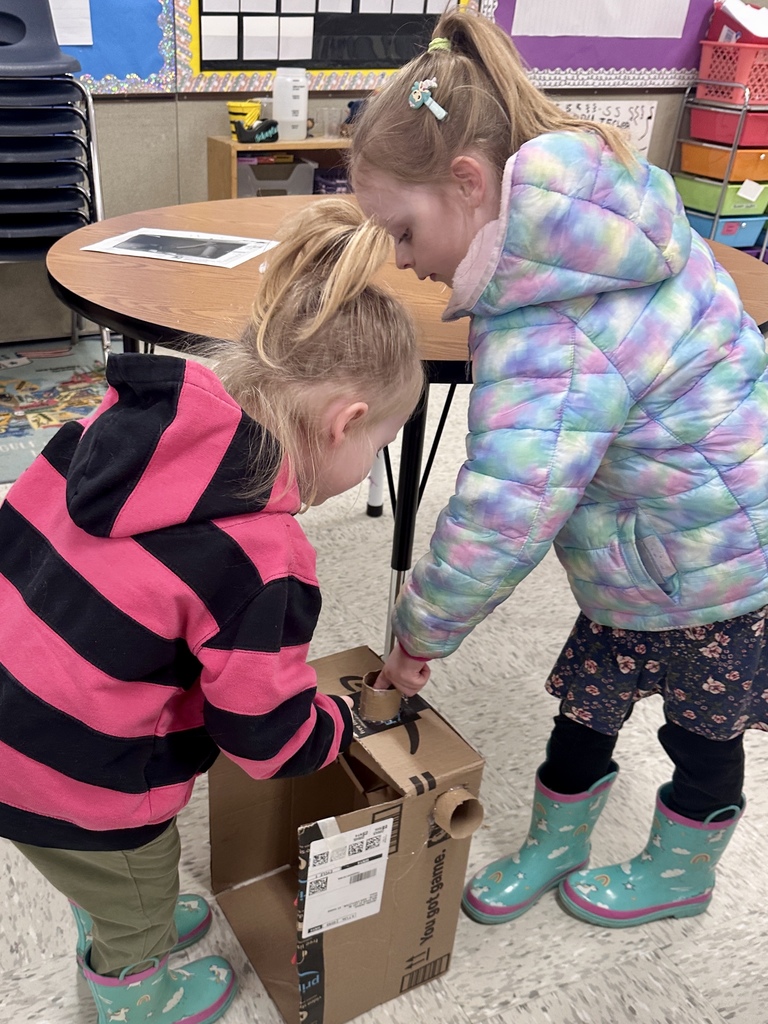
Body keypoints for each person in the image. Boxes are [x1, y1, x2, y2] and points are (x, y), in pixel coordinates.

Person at [351, 7, 768, 930]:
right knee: (587, 699)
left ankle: (683, 868)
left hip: (714, 561)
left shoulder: (555, 320)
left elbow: (505, 509)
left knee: (703, 730)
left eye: (404, 231)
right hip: (650, 541)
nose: (401, 259)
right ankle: (558, 836)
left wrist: (417, 637)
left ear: (467, 183)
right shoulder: (588, 226)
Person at [0, 197, 424, 1023]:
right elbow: (263, 738)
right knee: (132, 887)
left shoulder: (117, 424)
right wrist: (338, 725)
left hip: (13, 708)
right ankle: (135, 986)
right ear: (347, 423)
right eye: (378, 447)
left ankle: (121, 907)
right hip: (74, 771)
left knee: (102, 873)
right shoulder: (265, 560)